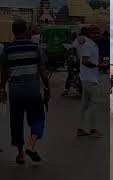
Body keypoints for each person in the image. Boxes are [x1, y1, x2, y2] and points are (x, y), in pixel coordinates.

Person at [0, 19, 50, 164]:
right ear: (27, 30)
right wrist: (47, 87)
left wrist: (2, 87)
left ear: (13, 31)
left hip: (15, 91)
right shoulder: (35, 47)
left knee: (16, 121)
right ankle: (31, 145)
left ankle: (21, 154)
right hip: (33, 90)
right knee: (38, 118)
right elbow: (42, 70)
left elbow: (4, 72)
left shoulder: (8, 49)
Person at [77, 25, 106, 138]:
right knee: (93, 104)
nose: (98, 35)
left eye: (98, 33)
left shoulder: (90, 44)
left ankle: (81, 128)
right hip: (90, 79)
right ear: (89, 34)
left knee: (84, 105)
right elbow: (85, 61)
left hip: (86, 78)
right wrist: (98, 65)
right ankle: (93, 129)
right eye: (95, 33)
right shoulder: (89, 44)